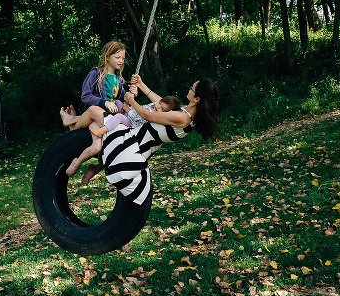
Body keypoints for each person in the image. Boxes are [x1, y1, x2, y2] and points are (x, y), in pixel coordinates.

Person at [60, 76, 220, 201]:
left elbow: (147, 114)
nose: (189, 89)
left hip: (131, 140)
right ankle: (93, 160)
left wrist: (131, 101)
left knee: (95, 110)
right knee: (97, 122)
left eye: (192, 88)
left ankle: (71, 123)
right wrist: (142, 85)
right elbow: (161, 103)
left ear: (197, 99)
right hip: (140, 143)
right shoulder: (188, 113)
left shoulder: (182, 118)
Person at [60, 41, 127, 181]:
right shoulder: (96, 73)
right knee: (96, 143)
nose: (121, 61)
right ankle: (72, 125)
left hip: (106, 118)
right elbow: (85, 96)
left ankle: (84, 163)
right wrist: (105, 102)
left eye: (123, 58)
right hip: (95, 114)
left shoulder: (119, 80)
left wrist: (130, 96)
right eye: (118, 57)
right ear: (107, 57)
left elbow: (121, 101)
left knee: (101, 148)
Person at [89, 95, 181, 138]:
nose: (157, 107)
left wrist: (128, 110)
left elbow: (137, 118)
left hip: (133, 124)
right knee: (118, 102)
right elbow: (140, 108)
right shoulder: (154, 105)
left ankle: (101, 131)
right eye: (160, 103)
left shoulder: (154, 116)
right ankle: (111, 116)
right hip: (130, 114)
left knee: (119, 117)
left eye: (162, 109)